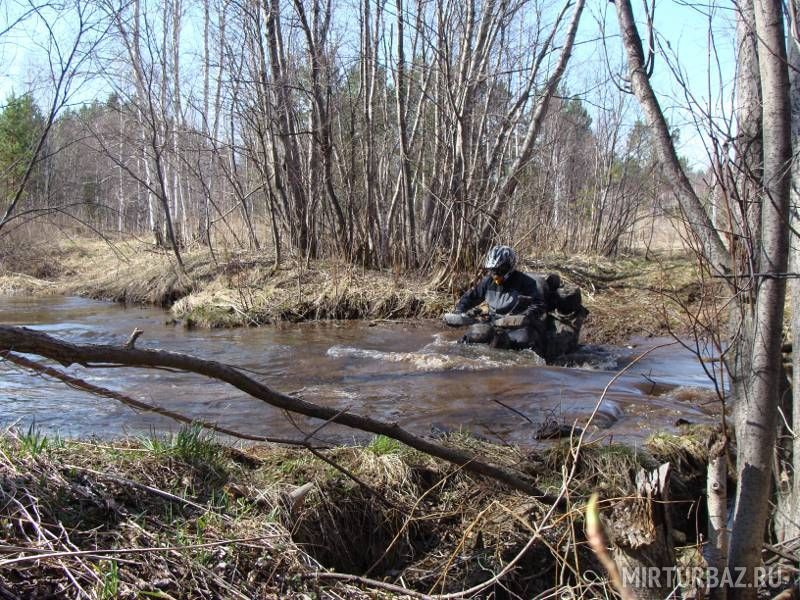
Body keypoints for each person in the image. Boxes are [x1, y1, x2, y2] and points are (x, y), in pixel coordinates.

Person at [444, 245, 548, 353]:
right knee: (473, 335)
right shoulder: (487, 281)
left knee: (523, 342)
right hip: (494, 322)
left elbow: (538, 305)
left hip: (519, 326)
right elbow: (470, 297)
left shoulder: (526, 282)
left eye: (499, 270)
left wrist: (525, 316)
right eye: (492, 270)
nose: (495, 275)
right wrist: (459, 310)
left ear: (509, 267)